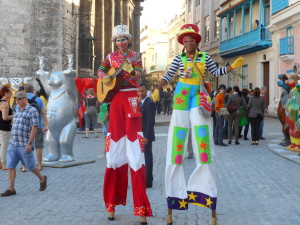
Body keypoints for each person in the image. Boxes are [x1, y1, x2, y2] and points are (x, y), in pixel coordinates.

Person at [158, 23, 244, 225]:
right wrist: (159, 86)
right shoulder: (178, 58)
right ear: (183, 44)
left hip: (197, 96)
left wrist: (232, 67)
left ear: (197, 42)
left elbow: (216, 71)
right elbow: (169, 74)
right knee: (177, 144)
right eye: (185, 41)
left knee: (202, 141)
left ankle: (203, 190)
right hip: (180, 96)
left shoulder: (204, 58)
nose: (188, 43)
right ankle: (175, 195)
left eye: (191, 40)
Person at [97, 25, 152, 224]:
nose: (120, 43)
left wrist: (130, 70)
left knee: (135, 150)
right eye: (117, 40)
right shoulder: (110, 57)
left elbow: (139, 75)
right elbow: (101, 70)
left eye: (123, 39)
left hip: (131, 98)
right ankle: (112, 203)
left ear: (129, 40)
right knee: (114, 150)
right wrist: (105, 77)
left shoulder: (135, 56)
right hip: (115, 100)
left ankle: (141, 207)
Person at [1, 91, 47, 197]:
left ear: (25, 99)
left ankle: (42, 178)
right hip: (13, 142)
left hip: (24, 143)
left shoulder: (32, 111)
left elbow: (34, 127)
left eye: (19, 99)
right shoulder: (17, 108)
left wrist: (30, 143)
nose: (16, 101)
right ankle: (11, 189)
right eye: (16, 99)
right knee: (10, 165)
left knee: (30, 166)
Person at [24, 84, 48, 171]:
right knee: (39, 145)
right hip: (38, 125)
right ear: (33, 90)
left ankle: (25, 166)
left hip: (25, 126)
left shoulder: (22, 99)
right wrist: (46, 125)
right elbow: (43, 113)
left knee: (26, 145)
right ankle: (39, 165)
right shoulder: (38, 99)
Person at [137, 85, 156, 188]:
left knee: (148, 158)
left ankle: (148, 181)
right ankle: (146, 178)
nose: (140, 93)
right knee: (144, 158)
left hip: (146, 135)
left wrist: (146, 136)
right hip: (141, 134)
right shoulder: (141, 103)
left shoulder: (149, 103)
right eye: (139, 91)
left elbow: (150, 122)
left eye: (142, 91)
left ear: (146, 91)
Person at [0, 87, 13, 170]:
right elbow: (5, 117)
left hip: (1, 126)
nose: (11, 93)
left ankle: (1, 164)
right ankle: (4, 164)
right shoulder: (4, 104)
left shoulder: (2, 102)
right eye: (10, 92)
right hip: (4, 127)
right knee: (4, 146)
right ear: (6, 93)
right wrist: (15, 115)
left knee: (2, 145)